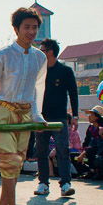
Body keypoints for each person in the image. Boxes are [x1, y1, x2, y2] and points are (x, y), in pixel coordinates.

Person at [0, 7, 47, 205]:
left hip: (25, 115)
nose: (31, 31)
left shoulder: (39, 57)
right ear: (16, 29)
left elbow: (37, 88)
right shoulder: (2, 55)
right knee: (11, 162)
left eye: (34, 27)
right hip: (3, 113)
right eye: (26, 27)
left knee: (15, 165)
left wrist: (37, 116)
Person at [33, 38, 79, 197]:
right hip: (41, 118)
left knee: (62, 151)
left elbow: (73, 93)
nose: (40, 52)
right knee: (41, 151)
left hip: (59, 118)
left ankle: (65, 183)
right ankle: (43, 183)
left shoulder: (65, 71)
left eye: (42, 50)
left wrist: (75, 115)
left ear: (50, 51)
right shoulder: (38, 71)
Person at [74, 106, 103, 178]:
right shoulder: (90, 127)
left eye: (92, 115)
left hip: (96, 150)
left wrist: (85, 152)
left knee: (91, 152)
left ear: (97, 117)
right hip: (87, 150)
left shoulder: (102, 128)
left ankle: (93, 171)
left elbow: (97, 144)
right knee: (72, 155)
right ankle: (85, 171)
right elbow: (86, 141)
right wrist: (82, 150)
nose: (89, 116)